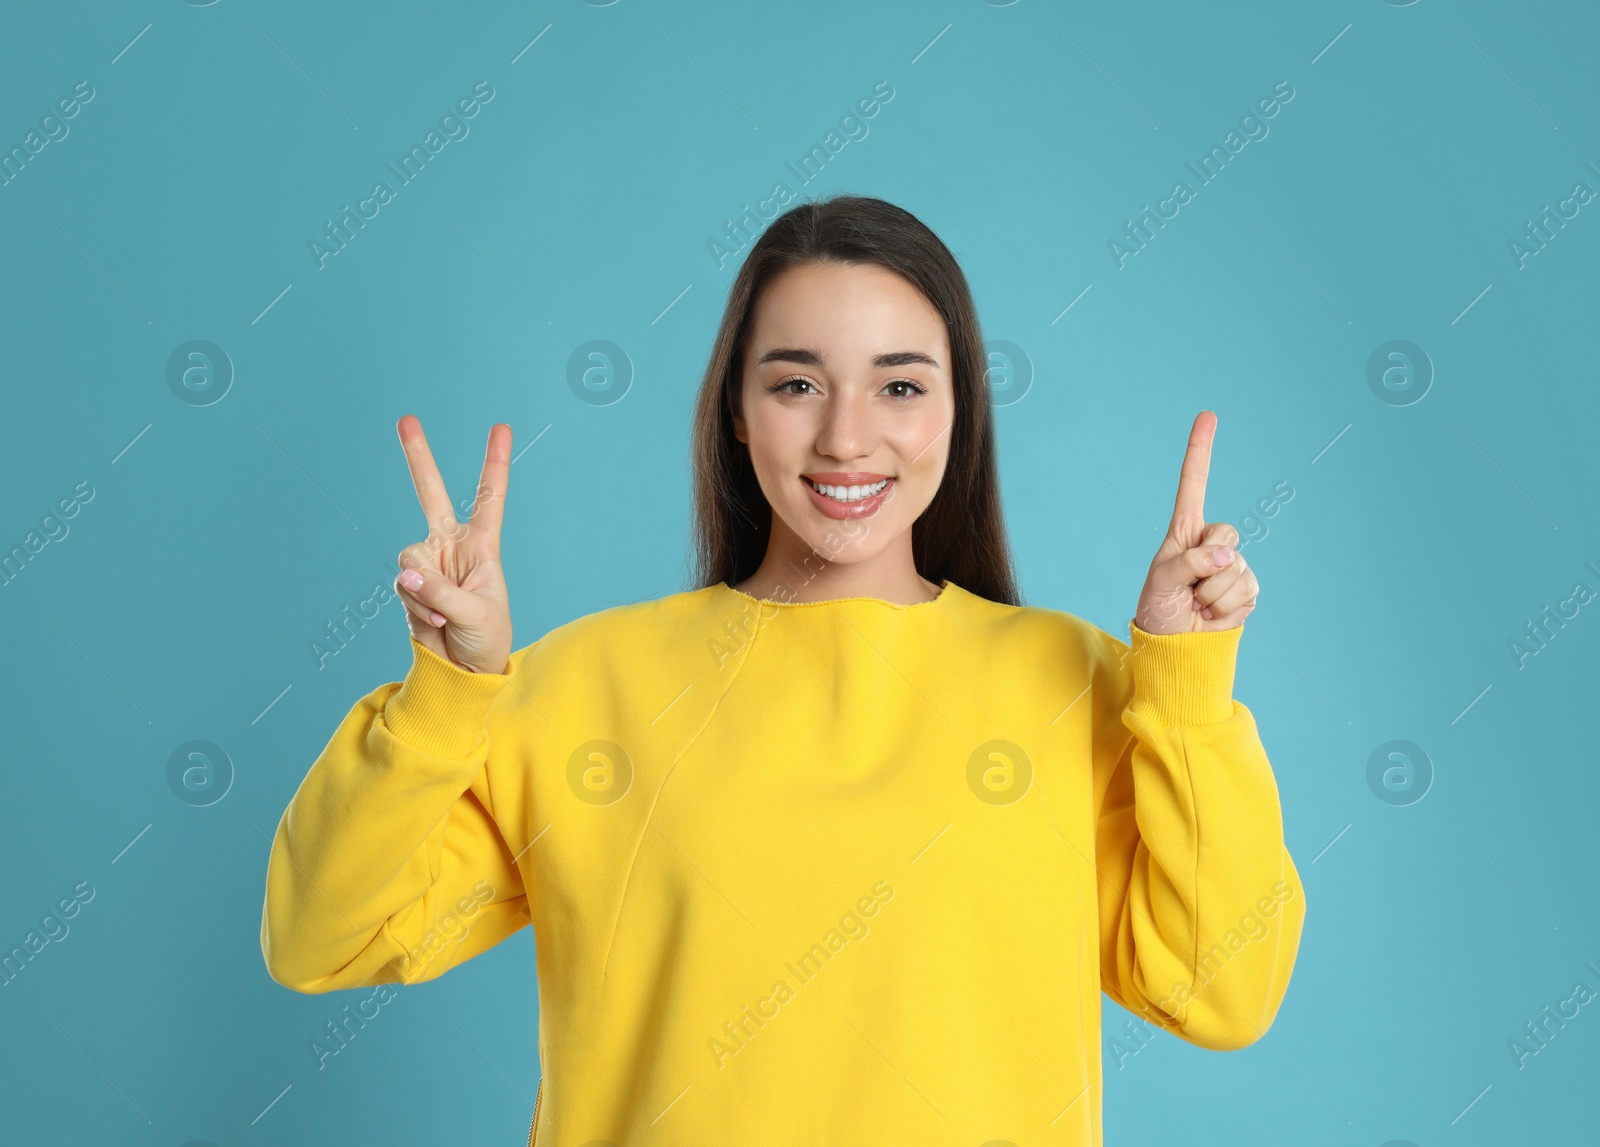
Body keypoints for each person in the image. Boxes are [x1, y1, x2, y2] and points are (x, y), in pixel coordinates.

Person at [261, 194, 1304, 1146]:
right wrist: (445, 693)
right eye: (796, 382)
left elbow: (1223, 989)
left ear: (957, 412)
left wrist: (1184, 686)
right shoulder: (579, 684)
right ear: (734, 409)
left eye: (900, 384)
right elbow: (322, 938)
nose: (846, 437)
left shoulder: (1078, 686)